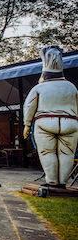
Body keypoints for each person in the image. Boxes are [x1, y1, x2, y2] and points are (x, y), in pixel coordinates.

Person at [23, 45, 78, 188]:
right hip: (70, 123)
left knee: (47, 152)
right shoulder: (71, 87)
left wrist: (27, 124)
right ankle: (63, 181)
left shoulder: (39, 88)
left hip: (45, 122)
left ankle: (52, 180)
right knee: (67, 153)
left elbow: (29, 106)